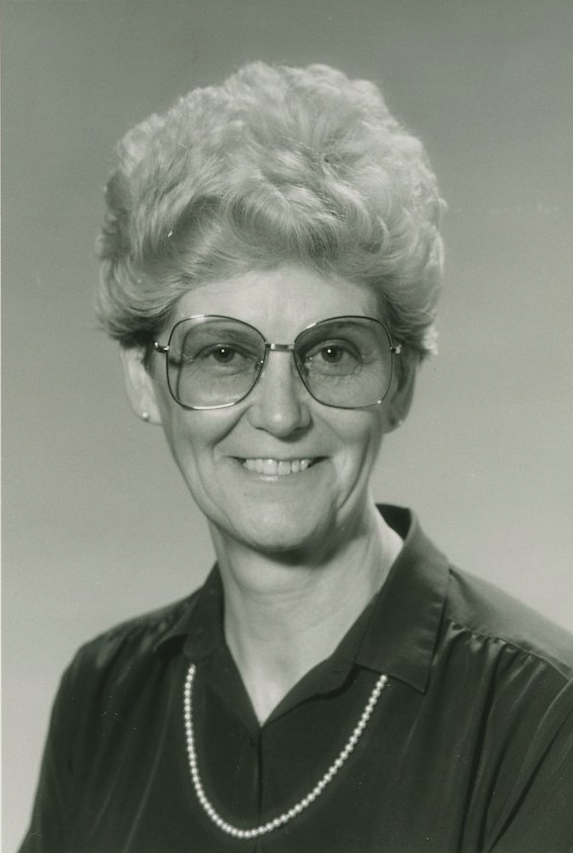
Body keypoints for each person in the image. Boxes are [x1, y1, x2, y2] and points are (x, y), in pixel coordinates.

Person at [19, 62, 573, 853]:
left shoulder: (539, 714)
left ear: (400, 382)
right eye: (222, 352)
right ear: (145, 380)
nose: (279, 415)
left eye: (333, 353)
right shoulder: (105, 695)